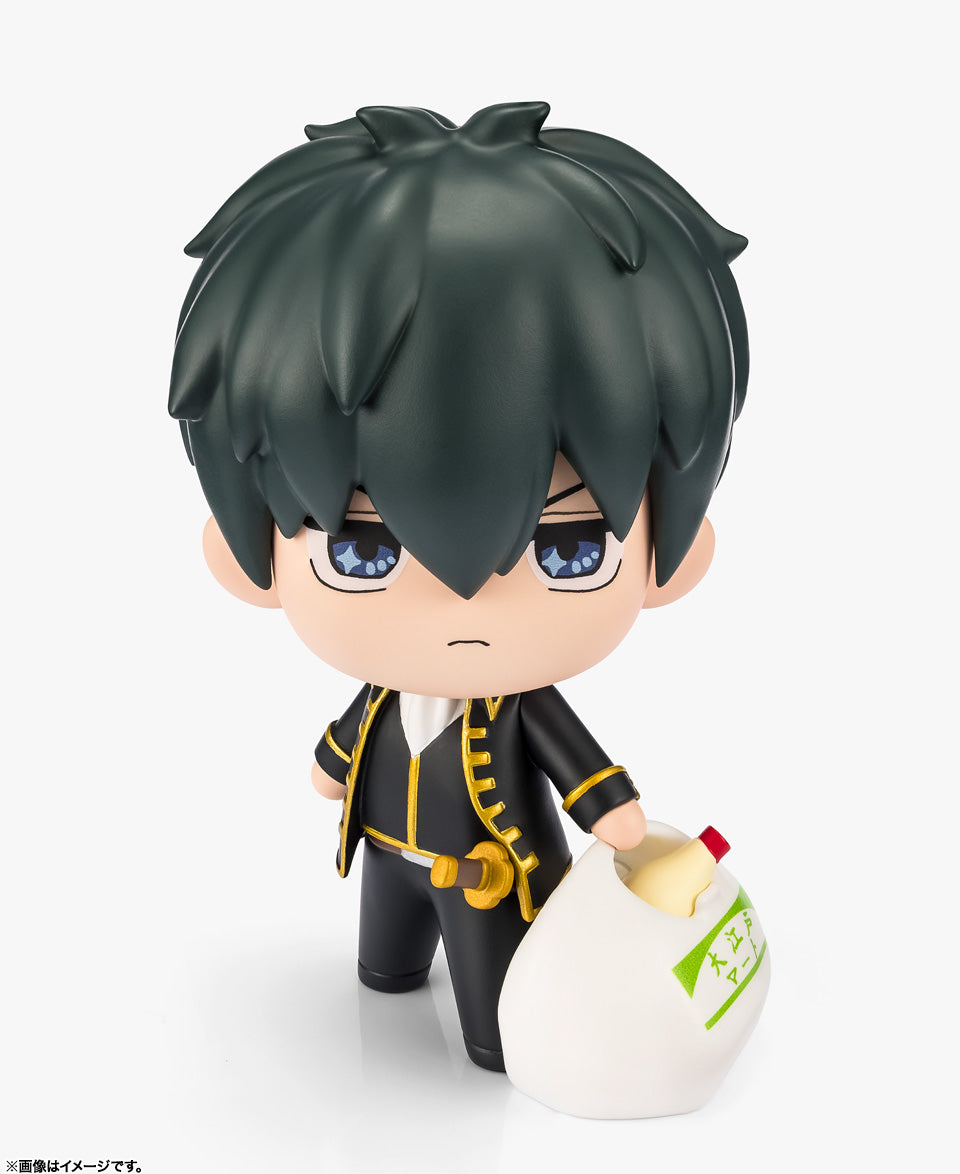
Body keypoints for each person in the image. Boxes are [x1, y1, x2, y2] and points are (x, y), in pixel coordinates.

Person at [169, 101, 749, 1071]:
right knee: (385, 960)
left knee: (495, 1012)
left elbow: (575, 765)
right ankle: (391, 968)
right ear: (247, 555)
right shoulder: (384, 694)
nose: (467, 602)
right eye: (363, 551)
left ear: (673, 558)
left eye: (569, 550)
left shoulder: (521, 710)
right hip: (386, 857)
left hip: (492, 879)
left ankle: (492, 1032)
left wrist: (616, 822)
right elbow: (357, 734)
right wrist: (331, 766)